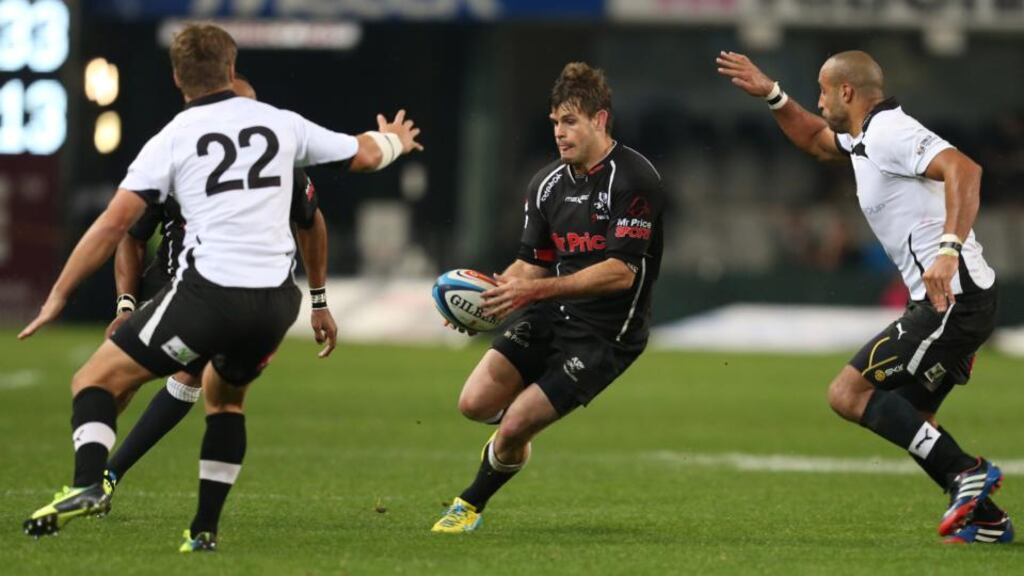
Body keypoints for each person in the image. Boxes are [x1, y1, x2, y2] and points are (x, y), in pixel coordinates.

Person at [19, 23, 422, 552]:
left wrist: (58, 295)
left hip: (209, 293)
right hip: (276, 302)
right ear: (231, 70)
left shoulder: (171, 138)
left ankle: (90, 483)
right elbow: (365, 154)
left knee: (93, 380)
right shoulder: (280, 123)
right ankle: (203, 530)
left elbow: (114, 225)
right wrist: (395, 141)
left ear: (176, 77)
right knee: (226, 401)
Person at [717, 50, 1011, 544]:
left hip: (951, 298)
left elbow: (966, 170)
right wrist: (773, 94)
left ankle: (966, 472)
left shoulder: (891, 132)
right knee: (912, 418)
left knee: (847, 394)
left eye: (822, 90)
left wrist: (948, 250)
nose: (818, 100)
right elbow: (814, 139)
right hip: (957, 301)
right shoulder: (864, 137)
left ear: (846, 92)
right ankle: (987, 519)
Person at [431, 62, 664, 533]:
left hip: (607, 334)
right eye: (555, 122)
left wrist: (533, 289)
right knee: (473, 403)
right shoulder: (546, 184)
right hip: (551, 312)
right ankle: (514, 436)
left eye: (570, 121)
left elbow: (620, 273)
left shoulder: (634, 179)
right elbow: (531, 263)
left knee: (515, 425)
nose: (559, 132)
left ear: (600, 119)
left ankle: (469, 503)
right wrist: (486, 300)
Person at [101, 73, 338, 495]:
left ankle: (106, 478)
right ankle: (98, 470)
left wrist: (319, 300)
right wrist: (125, 305)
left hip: (242, 294)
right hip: (179, 287)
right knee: (120, 378)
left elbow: (310, 220)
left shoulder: (278, 162)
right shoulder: (177, 155)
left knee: (198, 378)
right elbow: (131, 234)